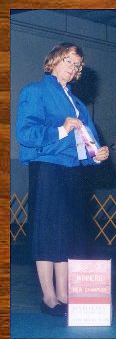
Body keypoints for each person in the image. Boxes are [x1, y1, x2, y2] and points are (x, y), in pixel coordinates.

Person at [16, 43, 109, 317]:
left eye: (78, 64)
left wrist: (97, 155)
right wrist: (60, 129)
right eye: (69, 61)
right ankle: (48, 298)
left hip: (73, 172)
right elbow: (25, 134)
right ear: (54, 60)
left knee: (69, 235)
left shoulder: (79, 103)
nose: (74, 67)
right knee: (47, 233)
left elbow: (87, 144)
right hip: (47, 167)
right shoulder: (34, 91)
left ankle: (65, 295)